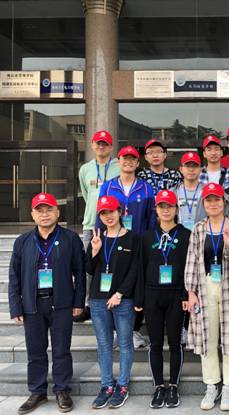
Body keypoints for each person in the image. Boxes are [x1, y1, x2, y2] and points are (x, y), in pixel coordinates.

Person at [9, 192, 85, 414]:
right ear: (32, 214)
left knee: (61, 350)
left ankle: (62, 390)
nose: (45, 214)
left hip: (61, 303)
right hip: (32, 305)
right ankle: (37, 391)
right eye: (39, 210)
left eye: (49, 209)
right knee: (35, 351)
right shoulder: (22, 241)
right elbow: (14, 276)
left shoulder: (71, 238)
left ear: (57, 212)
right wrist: (15, 306)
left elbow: (80, 273)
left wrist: (78, 301)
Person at [184, 183, 229, 411]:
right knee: (208, 337)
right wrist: (191, 291)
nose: (213, 204)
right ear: (204, 203)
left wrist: (228, 245)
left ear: (224, 202)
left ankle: (228, 386)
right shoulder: (199, 228)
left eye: (217, 199)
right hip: (205, 285)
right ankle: (211, 385)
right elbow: (192, 260)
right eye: (209, 200)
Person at [135, 190, 191, 409]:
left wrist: (186, 293)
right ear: (156, 210)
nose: (166, 210)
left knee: (175, 343)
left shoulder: (186, 235)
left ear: (176, 209)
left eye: (170, 206)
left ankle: (174, 386)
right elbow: (141, 269)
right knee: (156, 343)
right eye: (162, 206)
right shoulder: (147, 236)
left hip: (176, 295)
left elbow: (189, 268)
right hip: (152, 295)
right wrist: (140, 298)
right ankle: (159, 386)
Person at [86, 196, 140, 409]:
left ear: (120, 212)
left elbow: (135, 270)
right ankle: (106, 385)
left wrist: (119, 293)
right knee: (104, 343)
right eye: (104, 213)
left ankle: (122, 386)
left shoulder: (132, 238)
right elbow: (89, 269)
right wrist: (94, 251)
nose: (108, 216)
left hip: (123, 300)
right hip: (98, 300)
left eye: (111, 211)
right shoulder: (97, 237)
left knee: (125, 343)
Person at [98, 145, 155, 349]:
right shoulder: (108, 187)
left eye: (133, 159)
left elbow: (151, 218)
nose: (129, 162)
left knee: (137, 285)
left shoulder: (146, 188)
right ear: (119, 161)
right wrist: (100, 240)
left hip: (138, 243)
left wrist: (150, 242)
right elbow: (100, 214)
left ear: (138, 163)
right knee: (114, 282)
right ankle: (116, 331)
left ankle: (134, 330)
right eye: (125, 158)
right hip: (114, 242)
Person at [77, 130, 120, 323]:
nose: (101, 147)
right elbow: (87, 195)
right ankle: (89, 304)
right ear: (92, 145)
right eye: (98, 143)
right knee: (90, 266)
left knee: (113, 263)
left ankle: (114, 300)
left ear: (111, 147)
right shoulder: (85, 169)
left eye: (105, 144)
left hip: (114, 224)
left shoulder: (119, 166)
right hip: (91, 224)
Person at [171, 151, 206, 231]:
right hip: (179, 234)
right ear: (181, 169)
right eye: (187, 166)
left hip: (201, 233)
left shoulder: (207, 191)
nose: (191, 169)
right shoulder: (173, 192)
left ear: (200, 169)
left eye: (195, 166)